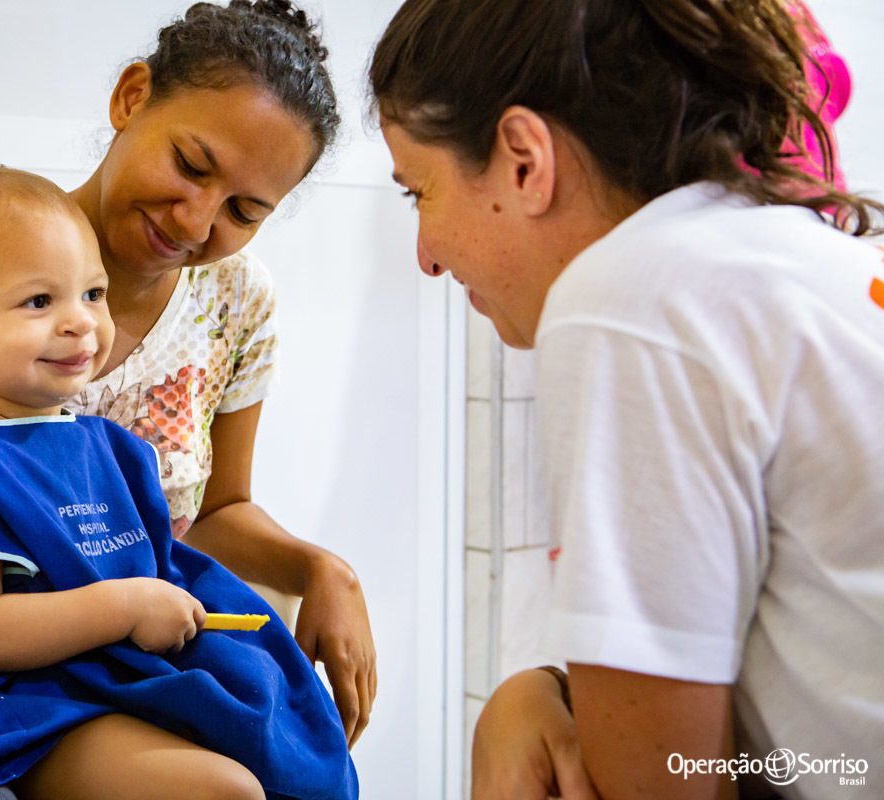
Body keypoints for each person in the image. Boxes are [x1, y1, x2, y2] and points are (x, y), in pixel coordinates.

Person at [0, 4, 376, 800]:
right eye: (191, 165)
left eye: (245, 211)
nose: (197, 220)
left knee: (282, 754)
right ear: (131, 98)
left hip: (133, 675)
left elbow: (212, 512)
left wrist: (323, 571)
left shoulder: (237, 300)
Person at [369, 1, 884, 799]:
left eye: (419, 193)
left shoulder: (633, 297)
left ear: (523, 160)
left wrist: (523, 707)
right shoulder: (803, 255)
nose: (426, 256)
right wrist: (538, 691)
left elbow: (670, 785)